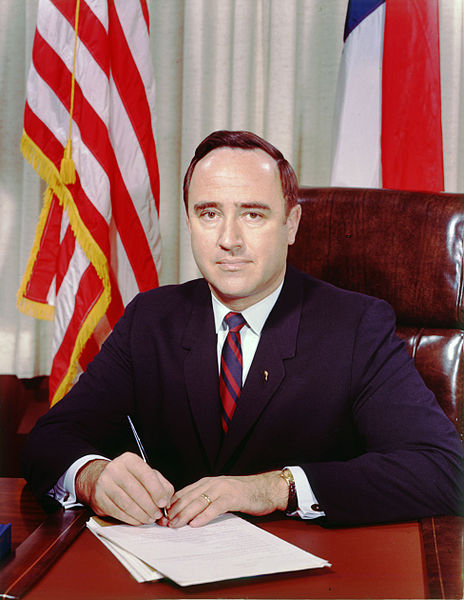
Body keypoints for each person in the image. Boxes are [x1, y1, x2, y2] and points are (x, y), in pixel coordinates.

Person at [23, 130, 464, 528]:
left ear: (290, 224)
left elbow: (445, 470)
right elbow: (49, 439)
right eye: (209, 213)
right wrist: (92, 476)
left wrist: (273, 488)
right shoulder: (151, 318)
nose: (228, 239)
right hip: (168, 573)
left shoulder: (355, 327)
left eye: (253, 215)